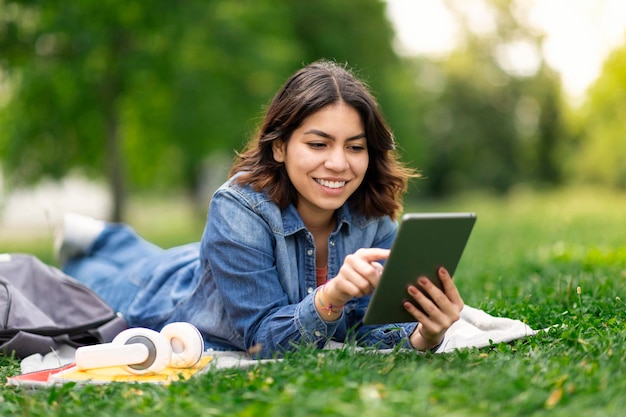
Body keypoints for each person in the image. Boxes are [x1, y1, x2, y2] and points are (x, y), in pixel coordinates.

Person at [58, 60, 464, 359]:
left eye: (355, 147)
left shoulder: (373, 217)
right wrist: (332, 295)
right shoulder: (237, 207)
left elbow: (367, 328)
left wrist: (424, 335)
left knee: (154, 253)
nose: (339, 163)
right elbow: (262, 341)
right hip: (163, 292)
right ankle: (98, 238)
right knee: (85, 281)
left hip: (210, 263)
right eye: (319, 144)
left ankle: (110, 238)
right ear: (280, 146)